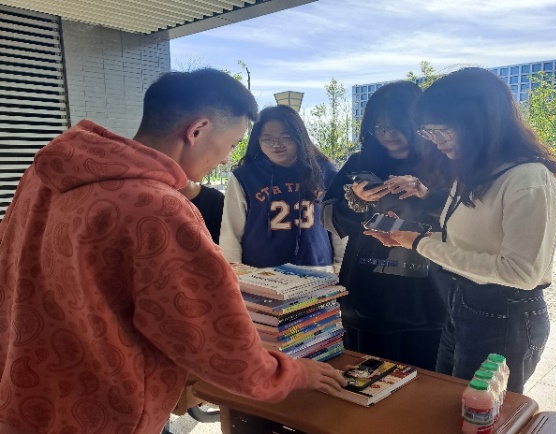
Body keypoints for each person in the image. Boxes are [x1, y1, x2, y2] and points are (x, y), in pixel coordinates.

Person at [0, 69, 347, 434]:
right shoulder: (158, 208)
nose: (226, 160)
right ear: (197, 131)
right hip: (103, 412)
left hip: (24, 394)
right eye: (231, 144)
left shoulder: (43, 178)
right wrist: (294, 373)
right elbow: (220, 348)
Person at [368, 67, 556, 393]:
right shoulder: (473, 172)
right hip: (463, 301)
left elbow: (520, 273)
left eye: (441, 131)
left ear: (479, 121)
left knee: (480, 412)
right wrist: (409, 238)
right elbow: (466, 242)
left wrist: (418, 243)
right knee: (450, 401)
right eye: (428, 133)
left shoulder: (528, 178)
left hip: (505, 312)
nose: (436, 143)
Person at [322, 81, 451, 370]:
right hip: (367, 299)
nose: (388, 135)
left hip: (429, 298)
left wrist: (427, 193)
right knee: (366, 382)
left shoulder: (444, 162)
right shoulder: (359, 163)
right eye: (379, 128)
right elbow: (329, 219)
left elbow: (466, 220)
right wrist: (355, 200)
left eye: (397, 126)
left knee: (427, 384)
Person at [220, 105, 344, 271]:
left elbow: (339, 227)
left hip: (318, 270)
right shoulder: (244, 176)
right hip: (260, 274)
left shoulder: (326, 172)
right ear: (257, 140)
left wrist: (341, 268)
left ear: (299, 137)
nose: (276, 144)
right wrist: (235, 272)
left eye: (285, 137)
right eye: (267, 139)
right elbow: (231, 232)